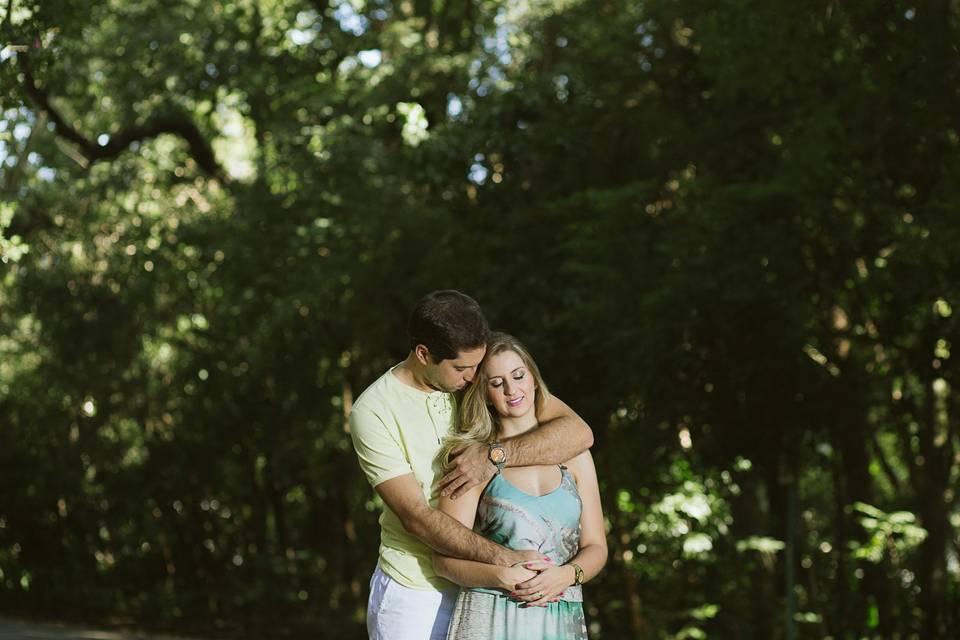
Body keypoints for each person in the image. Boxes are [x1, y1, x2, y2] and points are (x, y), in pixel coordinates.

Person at [348, 291, 594, 640]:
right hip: (416, 589)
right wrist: (504, 560)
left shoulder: (474, 377)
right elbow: (416, 517)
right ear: (423, 354)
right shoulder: (373, 411)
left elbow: (578, 433)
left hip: (489, 594)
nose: (473, 376)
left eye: (478, 366)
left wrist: (496, 455)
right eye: (463, 368)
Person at [433, 333, 607, 640]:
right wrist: (501, 575)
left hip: (559, 617)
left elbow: (596, 547)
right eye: (497, 383)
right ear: (485, 393)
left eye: (518, 375)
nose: (512, 389)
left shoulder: (576, 455)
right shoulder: (472, 461)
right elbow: (442, 560)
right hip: (490, 615)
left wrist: (568, 575)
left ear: (535, 379)